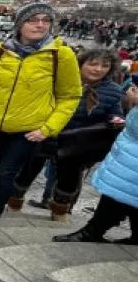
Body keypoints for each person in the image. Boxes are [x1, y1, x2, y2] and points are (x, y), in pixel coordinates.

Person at [0, 3, 83, 218]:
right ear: (20, 24)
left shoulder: (61, 55)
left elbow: (70, 97)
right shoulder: (0, 51)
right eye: (33, 20)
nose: (40, 25)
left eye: (45, 20)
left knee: (6, 173)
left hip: (26, 129)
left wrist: (48, 129)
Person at [7, 49, 124, 220]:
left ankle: (59, 210)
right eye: (93, 64)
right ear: (81, 64)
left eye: (104, 66)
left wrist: (117, 118)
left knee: (68, 179)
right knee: (28, 169)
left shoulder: (113, 90)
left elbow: (115, 112)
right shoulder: (62, 80)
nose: (98, 69)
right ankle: (14, 202)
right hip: (47, 133)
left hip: (77, 141)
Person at [53, 85, 138, 244]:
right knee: (126, 194)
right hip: (129, 152)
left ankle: (92, 231)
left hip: (132, 158)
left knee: (118, 194)